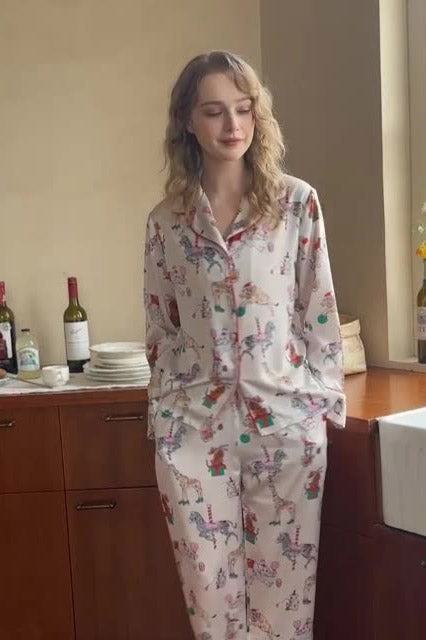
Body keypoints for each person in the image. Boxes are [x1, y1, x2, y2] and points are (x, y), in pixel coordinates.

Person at [144, 50, 346, 640]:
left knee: (285, 605)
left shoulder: (296, 204)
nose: (232, 125)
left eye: (243, 109)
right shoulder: (166, 222)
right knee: (211, 603)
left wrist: (319, 408)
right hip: (193, 431)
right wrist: (166, 417)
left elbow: (319, 312)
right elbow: (161, 329)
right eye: (213, 112)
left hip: (284, 427)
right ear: (188, 121)